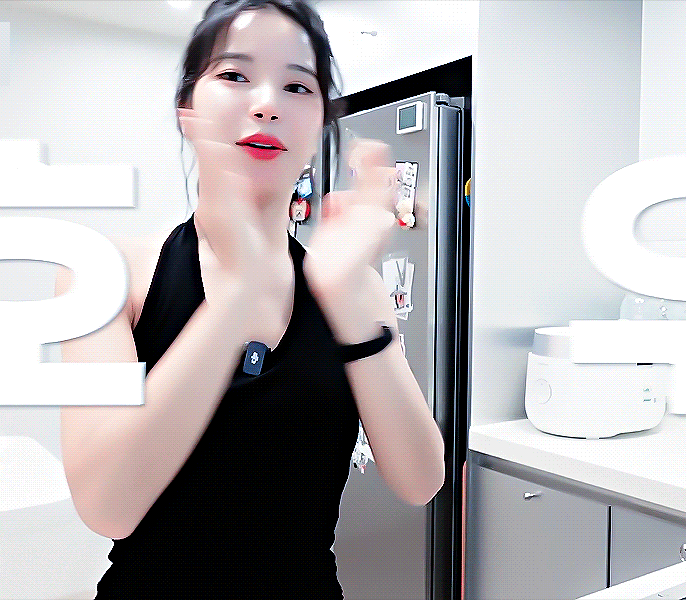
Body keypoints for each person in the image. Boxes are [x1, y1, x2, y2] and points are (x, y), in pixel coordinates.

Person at [57, 1, 446, 597]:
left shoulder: (352, 286)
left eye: (298, 86)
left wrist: (351, 302)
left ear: (318, 127)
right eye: (235, 75)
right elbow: (107, 505)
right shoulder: (106, 276)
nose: (267, 104)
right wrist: (239, 295)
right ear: (187, 109)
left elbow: (420, 481)